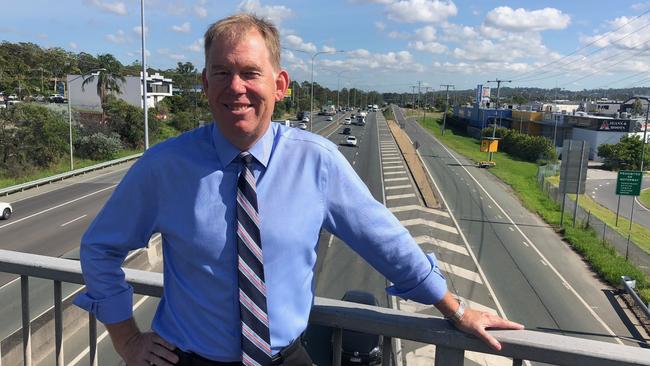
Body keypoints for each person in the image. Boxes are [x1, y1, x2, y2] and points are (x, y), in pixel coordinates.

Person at [74, 13, 523, 366]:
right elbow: (99, 249)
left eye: (250, 72)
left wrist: (456, 310)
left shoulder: (317, 161)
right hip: (185, 359)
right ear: (205, 83)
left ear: (280, 84)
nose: (236, 87)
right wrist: (128, 340)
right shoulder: (164, 167)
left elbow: (385, 241)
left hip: (282, 357)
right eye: (221, 73)